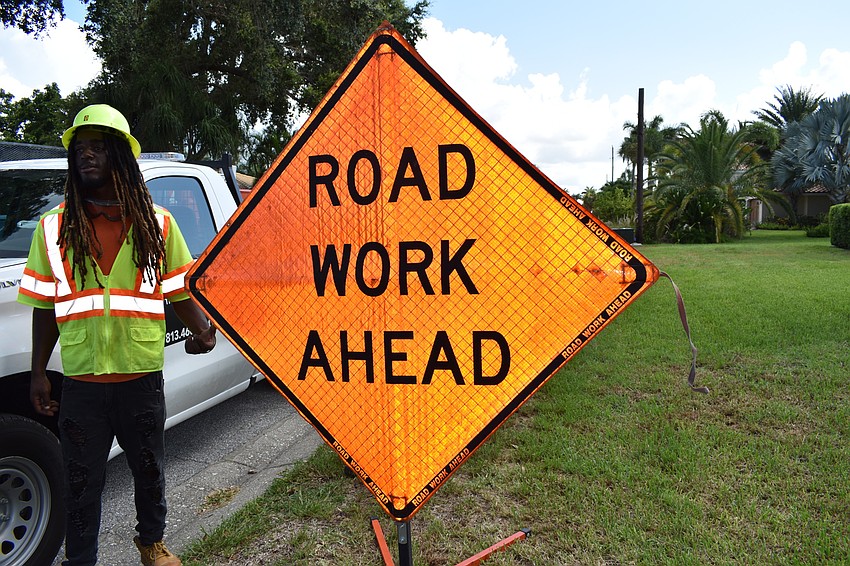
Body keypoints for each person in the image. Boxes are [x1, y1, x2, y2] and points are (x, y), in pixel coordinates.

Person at [17, 104, 216, 566]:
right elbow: (45, 306)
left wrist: (203, 331)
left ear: (122, 156)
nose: (86, 156)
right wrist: (38, 374)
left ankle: (151, 543)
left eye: (99, 148)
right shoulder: (52, 229)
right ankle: (80, 559)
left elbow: (177, 290)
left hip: (140, 378)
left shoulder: (158, 224)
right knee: (81, 482)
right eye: (80, 149)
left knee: (149, 472)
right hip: (83, 383)